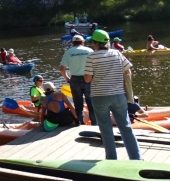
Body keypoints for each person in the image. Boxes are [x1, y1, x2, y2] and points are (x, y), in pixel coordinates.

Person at [84, 29, 142, 160]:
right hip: (119, 96)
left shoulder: (91, 56)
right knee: (126, 127)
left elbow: (87, 79)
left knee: (105, 129)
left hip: (99, 96)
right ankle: (136, 158)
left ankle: (111, 159)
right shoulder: (117, 53)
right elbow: (128, 73)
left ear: (95, 43)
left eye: (92, 42)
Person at [59, 34, 94, 125]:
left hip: (74, 80)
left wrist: (67, 78)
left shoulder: (68, 52)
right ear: (83, 42)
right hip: (89, 78)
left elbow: (62, 69)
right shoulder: (90, 50)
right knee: (91, 103)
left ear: (72, 43)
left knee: (78, 104)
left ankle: (80, 123)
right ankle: (95, 123)